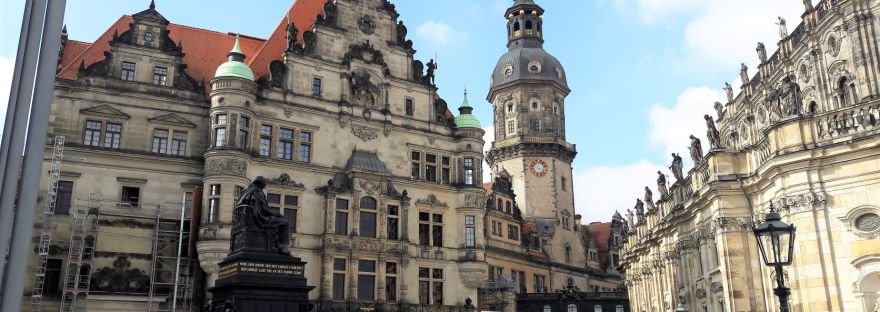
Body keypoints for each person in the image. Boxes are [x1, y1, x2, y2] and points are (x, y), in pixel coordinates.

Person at [236, 176, 290, 254]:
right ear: (260, 185)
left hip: (248, 220)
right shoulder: (257, 192)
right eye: (263, 186)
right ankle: (283, 246)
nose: (263, 188)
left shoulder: (244, 192)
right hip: (260, 218)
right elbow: (265, 209)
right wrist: (277, 214)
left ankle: (276, 245)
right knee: (285, 222)